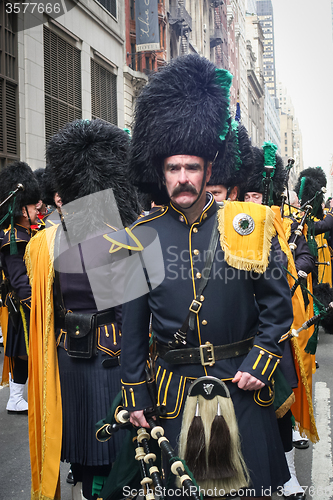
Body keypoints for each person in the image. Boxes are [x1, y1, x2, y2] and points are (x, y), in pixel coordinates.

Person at [119, 54, 293, 499]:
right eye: (173, 169)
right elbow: (133, 329)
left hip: (240, 384)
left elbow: (277, 308)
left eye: (191, 167)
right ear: (162, 173)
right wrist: (135, 394)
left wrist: (261, 360)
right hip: (175, 395)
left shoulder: (248, 223)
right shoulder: (140, 237)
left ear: (208, 170)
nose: (182, 178)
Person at [25, 119, 140, 500]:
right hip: (109, 354)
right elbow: (130, 309)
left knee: (92, 452)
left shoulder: (43, 241)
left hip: (69, 356)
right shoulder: (122, 237)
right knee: (108, 452)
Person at [242, 145, 318, 500]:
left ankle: (285, 476)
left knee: (279, 405)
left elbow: (285, 278)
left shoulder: (275, 225)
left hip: (268, 336)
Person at [0, 161, 40, 414]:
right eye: (34, 204)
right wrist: (38, 306)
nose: (39, 207)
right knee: (27, 354)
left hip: (27, 307)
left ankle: (17, 398)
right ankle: (17, 398)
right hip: (26, 308)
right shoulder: (14, 238)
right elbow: (21, 283)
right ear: (23, 209)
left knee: (26, 355)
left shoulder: (24, 232)